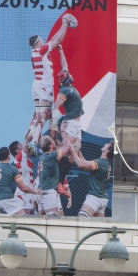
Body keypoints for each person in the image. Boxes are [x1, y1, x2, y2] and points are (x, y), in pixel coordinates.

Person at [28, 15, 72, 146]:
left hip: (37, 86)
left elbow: (55, 39)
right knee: (44, 115)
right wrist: (65, 24)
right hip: (44, 87)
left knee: (38, 115)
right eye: (41, 40)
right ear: (37, 42)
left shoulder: (37, 52)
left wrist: (62, 26)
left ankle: (31, 135)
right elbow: (58, 40)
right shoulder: (41, 51)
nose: (43, 41)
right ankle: (35, 142)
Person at [52, 47, 84, 196]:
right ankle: (46, 161)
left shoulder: (67, 83)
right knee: (65, 151)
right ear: (65, 80)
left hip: (77, 125)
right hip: (70, 123)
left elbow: (64, 65)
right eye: (68, 76)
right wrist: (54, 124)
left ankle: (60, 182)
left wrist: (60, 50)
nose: (70, 75)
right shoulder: (64, 91)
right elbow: (56, 106)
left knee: (72, 155)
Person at [0, 147, 40, 215]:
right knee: (22, 217)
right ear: (8, 156)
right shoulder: (12, 169)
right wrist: (34, 191)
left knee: (0, 223)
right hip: (6, 200)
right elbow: (23, 188)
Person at [70, 142, 113, 217]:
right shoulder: (105, 163)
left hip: (95, 197)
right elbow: (86, 166)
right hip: (101, 198)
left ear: (108, 150)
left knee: (81, 219)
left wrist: (72, 151)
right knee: (97, 226)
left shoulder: (101, 163)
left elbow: (81, 165)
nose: (105, 144)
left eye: (107, 144)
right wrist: (79, 153)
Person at [37, 136, 67, 216]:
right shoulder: (52, 156)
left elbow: (57, 150)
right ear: (50, 145)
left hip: (44, 190)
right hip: (48, 191)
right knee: (52, 219)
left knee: (55, 216)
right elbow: (68, 147)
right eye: (52, 141)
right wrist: (64, 133)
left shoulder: (42, 156)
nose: (54, 142)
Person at [9, 136, 37, 215]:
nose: (23, 145)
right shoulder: (19, 157)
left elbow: (25, 141)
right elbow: (25, 144)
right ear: (17, 150)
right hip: (23, 193)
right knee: (25, 217)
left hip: (28, 190)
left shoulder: (24, 157)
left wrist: (30, 129)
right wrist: (28, 140)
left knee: (29, 214)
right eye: (20, 144)